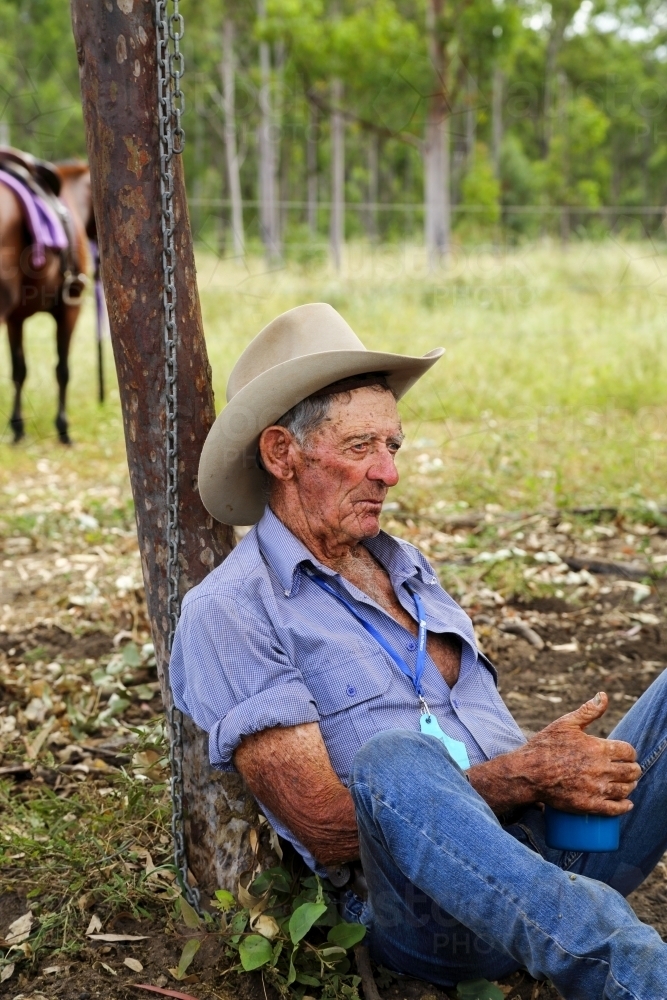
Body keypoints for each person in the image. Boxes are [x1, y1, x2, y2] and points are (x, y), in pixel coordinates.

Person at [171, 303, 667, 999]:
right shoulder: (230, 609)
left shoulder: (406, 566)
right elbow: (326, 824)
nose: (388, 474)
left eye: (392, 447)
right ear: (282, 453)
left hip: (547, 853)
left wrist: (556, 771)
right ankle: (633, 974)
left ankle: (576, 924)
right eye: (359, 448)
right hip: (427, 912)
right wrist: (519, 776)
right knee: (394, 760)